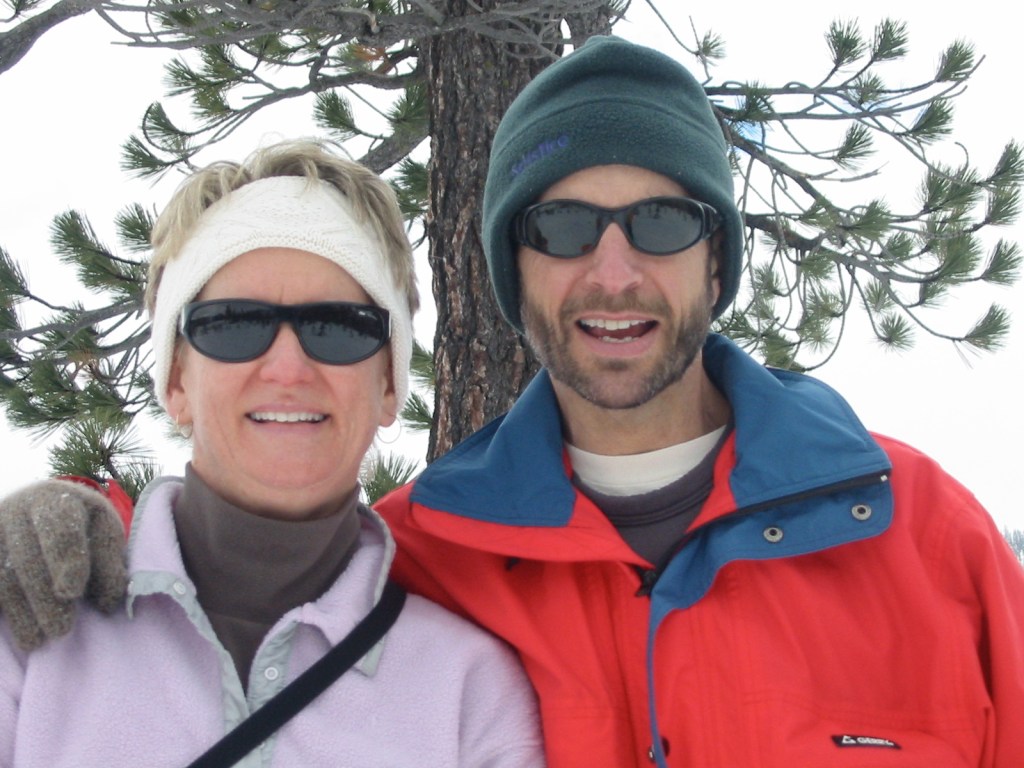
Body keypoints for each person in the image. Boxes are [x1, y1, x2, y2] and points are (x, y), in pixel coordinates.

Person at [1, 35, 1023, 768]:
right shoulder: (437, 554)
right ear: (511, 273)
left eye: (663, 223)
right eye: (563, 228)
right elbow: (254, 538)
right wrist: (82, 523)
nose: (613, 272)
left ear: (716, 260)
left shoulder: (926, 537)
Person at [0, 140, 543, 766]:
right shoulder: (32, 634)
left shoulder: (467, 694)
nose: (288, 368)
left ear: (389, 385)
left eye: (339, 327)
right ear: (176, 381)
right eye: (234, 323)